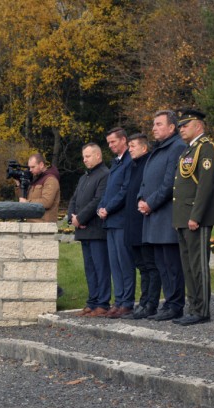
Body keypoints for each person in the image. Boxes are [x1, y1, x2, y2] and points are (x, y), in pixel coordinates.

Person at [172, 109, 214, 325]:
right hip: (183, 216)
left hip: (195, 217)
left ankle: (201, 311)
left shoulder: (206, 148)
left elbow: (206, 184)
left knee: (198, 264)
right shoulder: (188, 150)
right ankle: (193, 307)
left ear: (198, 126)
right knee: (188, 265)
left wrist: (196, 215)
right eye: (180, 125)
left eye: (185, 125)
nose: (181, 128)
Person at [137, 110, 186, 321]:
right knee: (162, 264)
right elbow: (146, 180)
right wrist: (141, 198)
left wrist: (150, 203)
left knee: (172, 264)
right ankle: (168, 304)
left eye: (158, 124)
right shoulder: (159, 149)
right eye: (153, 124)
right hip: (153, 216)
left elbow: (170, 183)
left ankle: (175, 305)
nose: (154, 128)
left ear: (171, 127)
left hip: (166, 215)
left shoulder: (178, 147)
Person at [68, 143, 110, 317]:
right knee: (89, 268)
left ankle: (102, 303)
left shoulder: (105, 175)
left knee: (101, 268)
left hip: (96, 229)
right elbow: (74, 199)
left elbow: (98, 200)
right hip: (83, 229)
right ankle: (92, 301)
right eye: (83, 156)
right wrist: (72, 217)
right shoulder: (84, 177)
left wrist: (81, 218)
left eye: (88, 156)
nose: (84, 159)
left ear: (98, 156)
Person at [97, 127, 135, 318]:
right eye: (109, 142)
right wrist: (101, 207)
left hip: (121, 220)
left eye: (113, 142)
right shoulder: (116, 163)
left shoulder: (129, 161)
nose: (110, 145)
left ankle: (127, 302)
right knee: (115, 264)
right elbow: (109, 190)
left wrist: (108, 208)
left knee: (124, 262)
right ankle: (118, 301)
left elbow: (125, 190)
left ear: (123, 140)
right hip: (110, 220)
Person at [124, 133, 162, 319]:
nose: (129, 149)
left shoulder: (148, 165)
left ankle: (150, 303)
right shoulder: (134, 166)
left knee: (150, 266)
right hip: (133, 223)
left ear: (144, 148)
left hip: (144, 222)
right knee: (141, 266)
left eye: (133, 145)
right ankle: (143, 301)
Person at [19, 153, 60, 223]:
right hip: (33, 223)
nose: (30, 170)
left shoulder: (50, 179)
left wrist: (26, 202)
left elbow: (47, 202)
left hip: (44, 225)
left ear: (41, 165)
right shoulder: (36, 178)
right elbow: (22, 199)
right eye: (29, 167)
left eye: (33, 167)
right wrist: (18, 184)